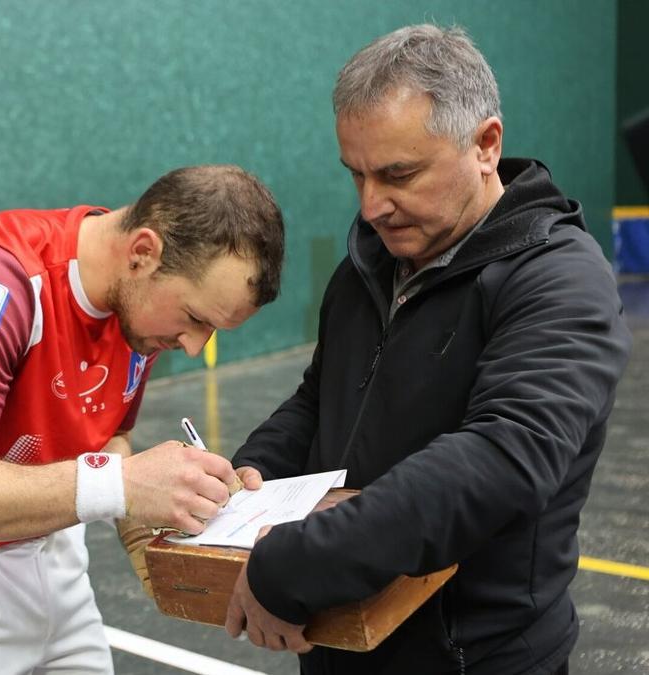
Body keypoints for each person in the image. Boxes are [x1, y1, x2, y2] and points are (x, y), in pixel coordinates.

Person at [224, 24, 631, 675]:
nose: (372, 204)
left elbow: (503, 458)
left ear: (486, 145)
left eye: (398, 174)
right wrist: (247, 482)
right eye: (355, 174)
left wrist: (299, 560)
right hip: (341, 636)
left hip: (474, 656)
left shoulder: (560, 278)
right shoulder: (371, 261)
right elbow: (319, 398)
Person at [0, 164, 286, 674]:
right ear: (143, 253)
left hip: (54, 548)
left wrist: (156, 518)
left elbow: (109, 435)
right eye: (195, 319)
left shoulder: (136, 305)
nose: (193, 347)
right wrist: (122, 484)